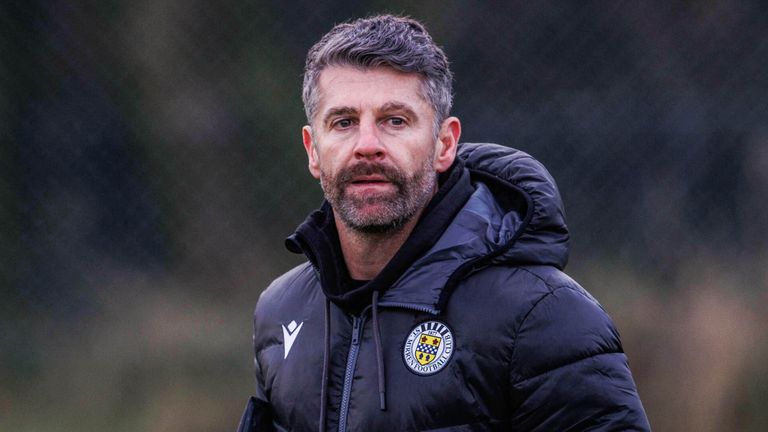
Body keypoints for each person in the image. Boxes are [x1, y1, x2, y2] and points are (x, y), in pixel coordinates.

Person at [238, 14, 650, 432]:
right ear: (312, 149)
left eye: (394, 121)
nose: (367, 145)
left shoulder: (543, 315)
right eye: (344, 122)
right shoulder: (281, 311)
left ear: (444, 144)